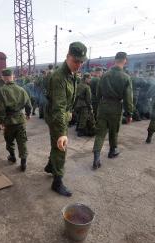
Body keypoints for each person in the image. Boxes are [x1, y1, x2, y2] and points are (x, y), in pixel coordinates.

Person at [44, 42, 87, 197]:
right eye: (76, 61)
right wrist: (62, 132)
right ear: (68, 56)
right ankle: (57, 182)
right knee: (61, 147)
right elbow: (59, 108)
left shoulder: (71, 74)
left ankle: (50, 166)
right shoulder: (59, 77)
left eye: (82, 61)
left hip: (62, 115)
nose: (79, 64)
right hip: (57, 117)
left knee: (56, 144)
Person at [92, 52, 133, 170]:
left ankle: (96, 158)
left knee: (100, 133)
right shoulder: (126, 77)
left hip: (103, 106)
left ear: (115, 60)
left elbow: (98, 93)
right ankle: (112, 151)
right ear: (125, 60)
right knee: (114, 131)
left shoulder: (104, 75)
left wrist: (100, 104)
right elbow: (128, 97)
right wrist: (129, 113)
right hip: (116, 107)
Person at [0, 69, 32, 171]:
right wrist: (28, 114)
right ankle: (23, 164)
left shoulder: (2, 90)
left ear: (3, 78)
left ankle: (12, 157)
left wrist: (0, 121)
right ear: (13, 76)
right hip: (20, 120)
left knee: (9, 141)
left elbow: (1, 109)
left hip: (9, 121)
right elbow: (28, 104)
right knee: (22, 141)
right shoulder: (21, 89)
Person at [75, 73, 95, 137]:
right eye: (89, 78)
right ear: (86, 78)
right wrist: (90, 107)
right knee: (84, 118)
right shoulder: (87, 87)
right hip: (84, 105)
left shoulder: (79, 85)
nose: (90, 80)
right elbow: (88, 99)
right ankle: (80, 132)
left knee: (79, 116)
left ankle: (77, 128)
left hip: (78, 104)